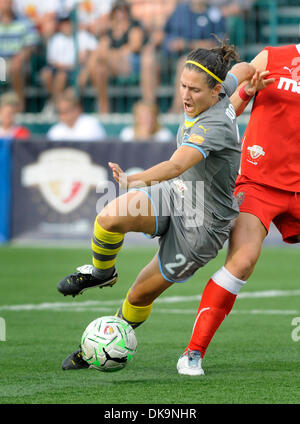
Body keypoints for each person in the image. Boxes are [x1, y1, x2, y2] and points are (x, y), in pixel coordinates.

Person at [56, 39, 258, 371]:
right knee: (109, 217)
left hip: (200, 228)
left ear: (215, 90)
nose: (186, 95)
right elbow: (248, 67)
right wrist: (256, 80)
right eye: (182, 86)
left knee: (138, 296)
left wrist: (134, 180)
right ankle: (102, 272)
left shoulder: (216, 125)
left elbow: (177, 164)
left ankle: (99, 347)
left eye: (194, 89)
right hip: (178, 195)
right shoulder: (223, 88)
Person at [178, 42, 299, 375]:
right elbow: (227, 108)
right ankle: (193, 353)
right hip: (259, 182)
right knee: (243, 261)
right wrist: (247, 91)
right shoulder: (274, 57)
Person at [87, 0, 147, 114]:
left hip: (130, 65)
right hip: (113, 66)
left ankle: (83, 80)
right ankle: (103, 105)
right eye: (117, 11)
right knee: (99, 69)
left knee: (98, 55)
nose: (120, 14)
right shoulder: (110, 31)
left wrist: (113, 53)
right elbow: (104, 46)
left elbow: (134, 47)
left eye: (123, 10)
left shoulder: (134, 26)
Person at [0, 0, 40, 111]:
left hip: (19, 62)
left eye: (8, 2)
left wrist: (21, 56)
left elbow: (32, 44)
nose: (5, 4)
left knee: (16, 66)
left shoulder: (24, 21)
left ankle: (18, 105)